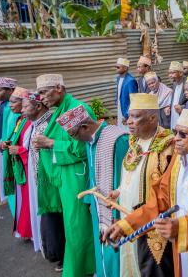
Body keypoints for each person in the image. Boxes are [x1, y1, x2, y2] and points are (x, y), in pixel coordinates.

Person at [104, 109, 188, 277]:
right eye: (176, 131)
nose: (176, 138)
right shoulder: (178, 160)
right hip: (182, 252)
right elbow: (160, 201)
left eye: (183, 134)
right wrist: (125, 225)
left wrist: (181, 227)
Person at [32, 74, 96, 277]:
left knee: (78, 226)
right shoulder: (59, 110)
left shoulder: (77, 109)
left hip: (77, 176)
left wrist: (49, 143)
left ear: (59, 88)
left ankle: (83, 269)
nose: (41, 97)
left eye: (44, 92)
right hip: (65, 176)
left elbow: (81, 148)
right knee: (72, 226)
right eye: (39, 93)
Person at [56, 105, 129, 277]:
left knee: (115, 254)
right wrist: (90, 201)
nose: (74, 140)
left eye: (73, 135)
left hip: (114, 209)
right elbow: (92, 173)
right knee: (101, 248)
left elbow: (124, 179)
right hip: (98, 204)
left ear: (85, 127)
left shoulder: (116, 140)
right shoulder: (90, 140)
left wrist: (117, 208)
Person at [108, 93, 176, 276]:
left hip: (152, 225)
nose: (129, 121)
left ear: (153, 118)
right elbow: (131, 175)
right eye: (129, 116)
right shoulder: (134, 142)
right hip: (128, 215)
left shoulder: (168, 147)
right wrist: (118, 191)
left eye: (135, 116)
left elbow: (168, 190)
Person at [23, 92, 65, 269]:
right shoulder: (35, 124)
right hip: (41, 181)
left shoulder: (49, 125)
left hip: (52, 182)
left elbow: (60, 149)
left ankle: (62, 256)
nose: (22, 110)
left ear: (38, 106)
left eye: (25, 106)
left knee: (56, 219)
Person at [3, 87, 33, 241]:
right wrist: (7, 144)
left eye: (13, 102)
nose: (10, 106)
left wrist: (19, 150)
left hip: (28, 167)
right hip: (21, 165)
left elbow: (33, 148)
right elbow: (16, 137)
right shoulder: (20, 120)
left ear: (24, 103)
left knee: (29, 201)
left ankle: (33, 232)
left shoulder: (30, 122)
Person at [0, 77, 19, 215]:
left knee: (12, 180)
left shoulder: (10, 107)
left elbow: (11, 130)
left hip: (7, 147)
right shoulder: (1, 104)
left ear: (11, 90)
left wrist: (3, 144)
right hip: (2, 146)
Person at [116, 58, 139, 131]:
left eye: (118, 67)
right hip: (120, 108)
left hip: (127, 111)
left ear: (125, 68)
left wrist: (127, 115)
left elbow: (134, 100)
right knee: (121, 128)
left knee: (127, 130)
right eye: (116, 67)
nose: (116, 68)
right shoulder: (118, 78)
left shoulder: (131, 81)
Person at [168, 61, 188, 131]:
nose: (170, 76)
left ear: (180, 73)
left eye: (173, 73)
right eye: (169, 73)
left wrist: (182, 107)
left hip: (183, 117)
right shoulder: (174, 84)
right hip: (173, 115)